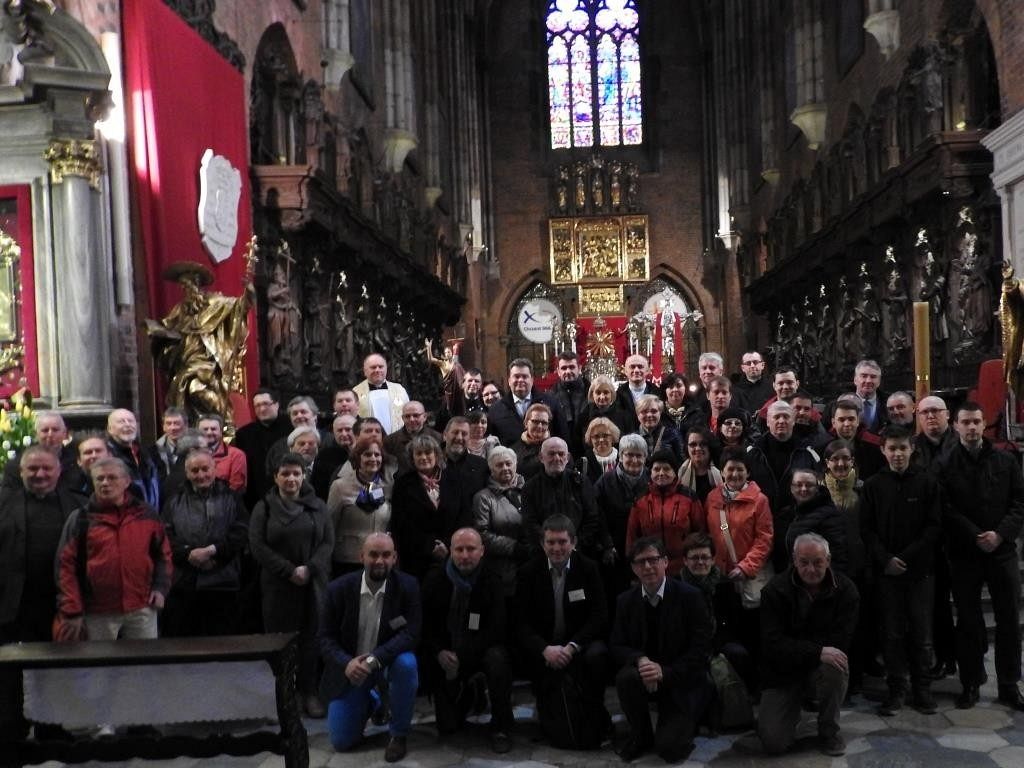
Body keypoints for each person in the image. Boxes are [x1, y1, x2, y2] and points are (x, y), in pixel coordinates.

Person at [936, 402, 1024, 710]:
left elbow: (1019, 501)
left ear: (983, 423)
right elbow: (945, 509)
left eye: (976, 421)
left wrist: (999, 534)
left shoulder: (1005, 458)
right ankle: (971, 682)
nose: (971, 427)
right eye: (965, 422)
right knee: (969, 622)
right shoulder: (945, 464)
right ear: (956, 425)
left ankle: (1009, 684)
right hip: (965, 553)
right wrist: (975, 534)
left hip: (1002, 551)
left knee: (1009, 619)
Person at [0, 446, 87, 738]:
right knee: (11, 672)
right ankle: (12, 728)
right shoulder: (2, 504)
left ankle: (53, 729)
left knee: (56, 670)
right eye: (32, 469)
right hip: (13, 604)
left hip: (60, 604)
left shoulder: (79, 505)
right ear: (21, 472)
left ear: (58, 471)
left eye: (46, 469)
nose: (39, 475)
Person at [752, 533, 859, 757]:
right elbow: (773, 644)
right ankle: (787, 710)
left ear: (828, 560)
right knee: (773, 743)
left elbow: (840, 642)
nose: (811, 569)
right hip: (783, 673)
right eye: (804, 562)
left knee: (836, 663)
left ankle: (828, 730)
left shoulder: (846, 591)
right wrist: (817, 651)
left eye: (818, 562)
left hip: (820, 668)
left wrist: (814, 652)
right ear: (794, 560)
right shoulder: (774, 591)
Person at [860, 425, 942, 715]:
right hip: (887, 573)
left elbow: (933, 526)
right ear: (883, 450)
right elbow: (867, 530)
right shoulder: (872, 485)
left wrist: (905, 557)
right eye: (892, 448)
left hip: (920, 571)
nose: (897, 454)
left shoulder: (927, 482)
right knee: (892, 633)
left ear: (912, 450)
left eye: (902, 448)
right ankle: (896, 690)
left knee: (922, 634)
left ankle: (923, 690)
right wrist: (886, 560)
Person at [318, 532, 420, 762]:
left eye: (386, 555)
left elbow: (411, 634)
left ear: (394, 558)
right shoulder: (337, 589)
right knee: (342, 742)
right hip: (352, 671)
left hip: (386, 664)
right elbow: (324, 638)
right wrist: (346, 663)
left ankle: (398, 734)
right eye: (373, 554)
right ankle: (374, 701)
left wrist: (375, 658)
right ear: (361, 556)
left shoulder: (408, 587)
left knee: (407, 664)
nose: (379, 561)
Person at [611, 536, 713, 763]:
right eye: (640, 562)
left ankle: (691, 719)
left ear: (665, 562)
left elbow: (701, 649)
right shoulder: (625, 601)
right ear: (633, 568)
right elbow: (617, 644)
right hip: (647, 675)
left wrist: (664, 672)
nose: (647, 567)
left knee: (670, 750)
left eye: (653, 560)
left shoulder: (690, 596)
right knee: (626, 677)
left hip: (681, 678)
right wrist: (641, 660)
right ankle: (641, 735)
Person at [513, 515, 611, 747]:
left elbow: (599, 615)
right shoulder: (528, 572)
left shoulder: (588, 568)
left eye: (562, 542)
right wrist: (545, 649)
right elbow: (520, 622)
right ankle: (548, 711)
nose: (556, 548)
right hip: (544, 646)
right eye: (551, 542)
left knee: (598, 654)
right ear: (542, 544)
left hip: (578, 643)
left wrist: (573, 646)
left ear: (573, 542)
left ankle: (594, 710)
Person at [250, 452, 334, 718]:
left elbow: (328, 542)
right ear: (276, 476)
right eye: (285, 473)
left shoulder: (317, 505)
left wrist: (309, 569)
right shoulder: (263, 507)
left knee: (312, 638)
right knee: (283, 642)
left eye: (296, 473)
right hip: (279, 585)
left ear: (303, 475)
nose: (291, 478)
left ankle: (309, 692)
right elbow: (257, 546)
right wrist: (289, 571)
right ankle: (288, 694)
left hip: (313, 583)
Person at [55, 457, 173, 641]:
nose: (105, 483)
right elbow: (64, 566)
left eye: (112, 478)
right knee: (100, 667)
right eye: (99, 479)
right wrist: (72, 609)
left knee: (143, 666)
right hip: (98, 612)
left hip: (141, 608)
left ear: (126, 481)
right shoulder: (80, 519)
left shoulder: (147, 515)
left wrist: (160, 587)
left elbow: (163, 555)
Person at [421, 528, 514, 753]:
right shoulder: (435, 579)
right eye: (459, 549)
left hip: (478, 653)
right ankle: (471, 692)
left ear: (482, 551)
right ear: (450, 551)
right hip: (445, 656)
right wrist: (439, 652)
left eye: (471, 549)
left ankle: (501, 725)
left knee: (498, 658)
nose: (465, 555)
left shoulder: (492, 580)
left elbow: (497, 629)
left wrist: (461, 657)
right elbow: (425, 625)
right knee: (448, 727)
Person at [147, 259, 254, 427]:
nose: (187, 290)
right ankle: (191, 426)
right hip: (185, 360)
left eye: (189, 285)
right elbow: (168, 326)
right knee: (178, 388)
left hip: (208, 361)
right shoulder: (181, 309)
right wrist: (158, 332)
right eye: (183, 287)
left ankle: (221, 421)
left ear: (197, 285)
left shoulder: (216, 303)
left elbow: (240, 307)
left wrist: (249, 292)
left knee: (195, 387)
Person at [160, 448, 249, 637]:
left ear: (214, 469)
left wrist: (213, 551)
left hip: (223, 583)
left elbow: (241, 532)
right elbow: (165, 536)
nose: (201, 475)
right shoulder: (173, 501)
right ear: (186, 473)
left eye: (205, 469)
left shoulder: (231, 498)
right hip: (184, 584)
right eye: (194, 470)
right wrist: (188, 554)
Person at [391, 434, 473, 581]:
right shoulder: (402, 484)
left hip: (452, 554)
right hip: (415, 558)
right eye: (419, 453)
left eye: (428, 452)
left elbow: (464, 515)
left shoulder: (455, 479)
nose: (423, 457)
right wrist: (430, 547)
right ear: (412, 458)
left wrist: (448, 545)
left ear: (436, 455)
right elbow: (400, 523)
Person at [520, 437, 611, 562]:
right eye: (551, 454)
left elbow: (593, 517)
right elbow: (530, 524)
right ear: (541, 457)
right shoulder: (530, 488)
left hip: (580, 553)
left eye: (561, 454)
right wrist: (551, 546)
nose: (557, 458)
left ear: (567, 458)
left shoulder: (581, 482)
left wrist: (574, 545)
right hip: (543, 556)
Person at [625, 448, 705, 575]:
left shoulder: (689, 497)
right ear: (650, 472)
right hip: (650, 568)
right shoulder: (641, 499)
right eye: (656, 469)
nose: (661, 473)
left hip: (683, 568)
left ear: (675, 472)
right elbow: (632, 536)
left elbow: (700, 532)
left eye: (666, 469)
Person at [594, 434, 649, 616]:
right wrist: (607, 545)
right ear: (620, 456)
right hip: (614, 552)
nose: (634, 459)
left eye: (639, 455)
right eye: (629, 455)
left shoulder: (652, 480)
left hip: (646, 552)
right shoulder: (605, 482)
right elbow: (597, 516)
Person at [327, 435, 397, 578]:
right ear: (358, 458)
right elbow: (329, 525)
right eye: (367, 454)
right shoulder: (340, 486)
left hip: (379, 559)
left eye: (377, 455)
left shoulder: (388, 486)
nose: (373, 458)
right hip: (347, 559)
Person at [473, 446, 528, 598]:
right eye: (499, 465)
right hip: (500, 569)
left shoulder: (530, 490)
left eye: (508, 463)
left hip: (531, 562)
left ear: (515, 465)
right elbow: (481, 534)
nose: (505, 468)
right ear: (491, 469)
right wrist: (514, 547)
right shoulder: (483, 498)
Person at [772, 468, 848, 575]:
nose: (803, 489)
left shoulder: (829, 515)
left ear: (817, 488)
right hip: (788, 579)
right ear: (791, 488)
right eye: (798, 485)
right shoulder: (784, 515)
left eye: (809, 485)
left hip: (816, 578)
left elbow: (838, 555)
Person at [234, 387, 293, 510]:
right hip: (255, 498)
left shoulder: (291, 428)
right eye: (257, 406)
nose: (262, 409)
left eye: (266, 404)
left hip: (288, 494)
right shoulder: (243, 434)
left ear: (276, 405)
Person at [487, 358, 565, 446]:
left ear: (532, 380)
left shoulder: (551, 403)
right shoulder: (496, 409)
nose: (520, 380)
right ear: (509, 381)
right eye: (516, 376)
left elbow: (562, 436)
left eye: (524, 376)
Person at [105, 408, 160, 509]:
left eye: (131, 421)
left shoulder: (146, 453)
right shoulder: (107, 455)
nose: (127, 425)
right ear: (110, 429)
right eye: (121, 421)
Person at [827, 397, 885, 481]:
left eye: (851, 419)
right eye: (841, 419)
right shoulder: (824, 447)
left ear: (858, 421)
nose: (847, 424)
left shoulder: (874, 448)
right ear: (833, 423)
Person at [352, 353, 411, 435]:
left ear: (386, 369)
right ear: (365, 371)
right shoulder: (356, 392)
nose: (377, 370)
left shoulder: (399, 389)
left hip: (397, 440)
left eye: (380, 367)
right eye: (373, 367)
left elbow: (408, 413)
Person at [383, 400, 443, 474]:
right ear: (402, 418)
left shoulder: (438, 438)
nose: (411, 419)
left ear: (424, 417)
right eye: (407, 416)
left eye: (416, 415)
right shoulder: (390, 441)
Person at [550, 351, 591, 456]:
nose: (568, 371)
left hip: (588, 449)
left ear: (579, 368)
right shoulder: (550, 397)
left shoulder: (591, 392)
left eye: (572, 367)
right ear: (558, 371)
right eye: (564, 368)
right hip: (561, 452)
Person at [197, 412, 247, 492]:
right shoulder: (189, 454)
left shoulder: (236, 455)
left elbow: (236, 488)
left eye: (213, 429)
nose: (209, 432)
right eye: (205, 429)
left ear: (221, 432)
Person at [577, 374, 635, 441]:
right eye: (598, 393)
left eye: (606, 392)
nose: (602, 397)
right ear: (592, 394)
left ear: (612, 394)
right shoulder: (584, 415)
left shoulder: (624, 415)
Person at [311, 413, 356, 500]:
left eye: (348, 429)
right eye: (339, 430)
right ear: (334, 433)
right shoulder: (324, 456)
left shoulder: (366, 453)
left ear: (357, 431)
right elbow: (317, 489)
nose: (344, 433)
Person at [634, 395, 683, 464]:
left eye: (654, 411)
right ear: (637, 414)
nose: (649, 415)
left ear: (660, 413)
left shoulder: (673, 434)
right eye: (644, 411)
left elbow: (681, 462)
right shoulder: (632, 438)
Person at [678, 426, 722, 503]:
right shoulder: (680, 472)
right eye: (693, 444)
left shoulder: (721, 470)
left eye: (703, 444)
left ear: (710, 446)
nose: (698, 448)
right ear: (686, 448)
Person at [147, 406, 188, 487]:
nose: (172, 428)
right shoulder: (151, 452)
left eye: (176, 423)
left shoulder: (196, 449)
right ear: (164, 427)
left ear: (186, 425)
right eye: (168, 424)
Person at [511, 402, 551, 480]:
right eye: (535, 422)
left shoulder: (556, 448)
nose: (540, 426)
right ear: (526, 423)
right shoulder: (513, 451)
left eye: (544, 423)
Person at [581, 416, 620, 484]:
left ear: (613, 436)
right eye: (596, 436)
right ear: (590, 439)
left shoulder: (623, 459)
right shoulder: (583, 463)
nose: (601, 440)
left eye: (605, 435)